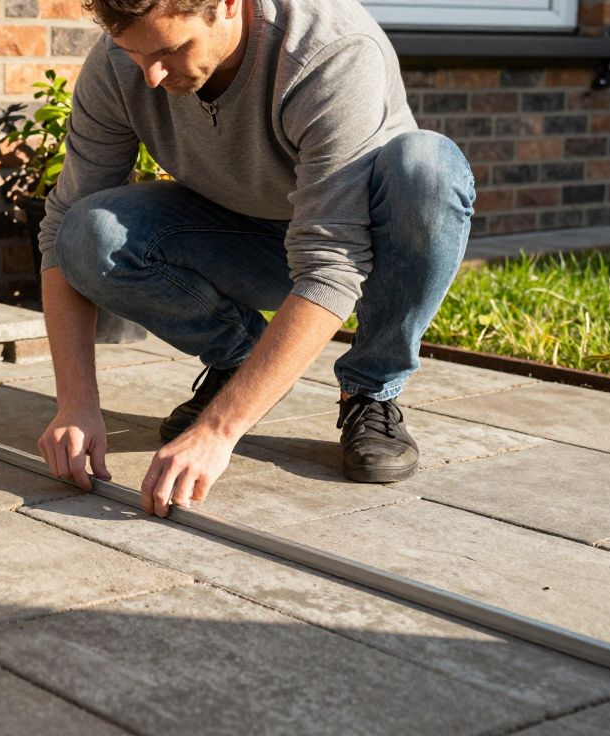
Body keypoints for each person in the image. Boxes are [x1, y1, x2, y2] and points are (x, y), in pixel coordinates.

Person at [34, 0, 475, 517]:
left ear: (227, 5)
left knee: (427, 168)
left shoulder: (328, 50)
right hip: (245, 236)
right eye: (136, 53)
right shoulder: (117, 64)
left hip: (369, 240)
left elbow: (330, 260)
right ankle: (241, 359)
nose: (152, 76)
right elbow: (58, 229)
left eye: (172, 49)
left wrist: (220, 431)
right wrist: (76, 402)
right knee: (87, 232)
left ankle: (371, 391)